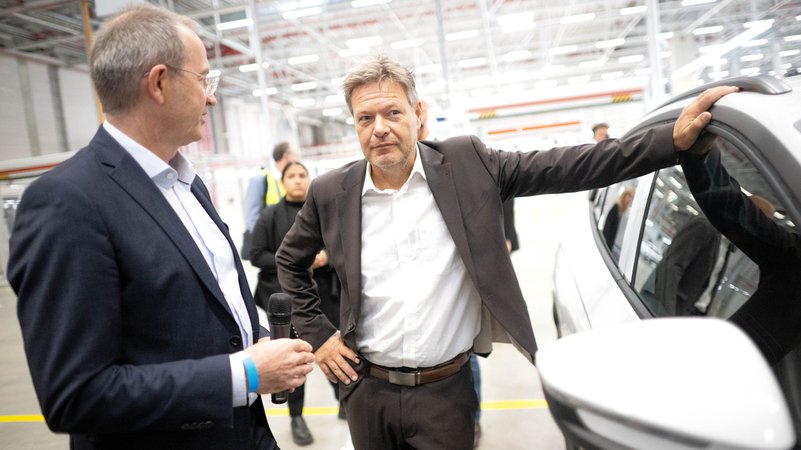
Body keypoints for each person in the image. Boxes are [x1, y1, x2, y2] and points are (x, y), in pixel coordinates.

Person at [275, 54, 737, 449]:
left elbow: (567, 166)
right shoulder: (331, 191)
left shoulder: (466, 164)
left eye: (392, 113)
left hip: (445, 393)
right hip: (367, 391)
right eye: (365, 118)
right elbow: (289, 261)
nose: (379, 129)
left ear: (418, 112)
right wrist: (320, 335)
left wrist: (668, 142)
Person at [6, 5, 314, 449]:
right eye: (203, 79)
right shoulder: (66, 203)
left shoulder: (186, 183)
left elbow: (194, 315)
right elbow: (76, 394)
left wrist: (259, 343)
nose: (212, 97)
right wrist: (244, 373)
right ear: (159, 83)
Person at [250, 161, 343, 446]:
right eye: (292, 176)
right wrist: (293, 263)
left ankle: (344, 401)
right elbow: (256, 254)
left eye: (302, 175)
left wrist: (326, 258)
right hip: (286, 300)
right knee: (295, 359)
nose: (298, 180)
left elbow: (342, 246)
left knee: (333, 348)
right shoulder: (270, 215)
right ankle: (296, 417)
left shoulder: (322, 210)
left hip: (325, 294)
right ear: (283, 182)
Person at [241, 141, 298, 260]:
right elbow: (252, 218)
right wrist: (263, 242)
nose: (298, 159)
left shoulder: (294, 180)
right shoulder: (261, 179)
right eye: (296, 155)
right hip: (272, 249)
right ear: (286, 156)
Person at [602, 185, 634, 261]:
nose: (629, 200)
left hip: (609, 246)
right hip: (605, 246)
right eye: (629, 196)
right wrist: (606, 249)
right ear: (624, 195)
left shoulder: (621, 211)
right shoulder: (616, 208)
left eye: (631, 198)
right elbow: (607, 230)